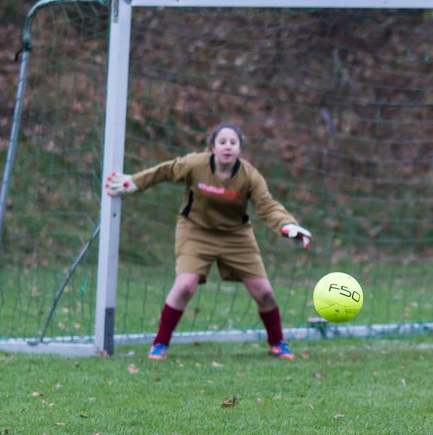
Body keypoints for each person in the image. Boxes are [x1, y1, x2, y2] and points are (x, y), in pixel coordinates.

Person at [104, 123, 313, 360]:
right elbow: (166, 170)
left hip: (236, 235)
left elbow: (268, 207)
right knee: (185, 286)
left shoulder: (250, 176)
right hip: (195, 231)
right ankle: (160, 344)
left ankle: (278, 344)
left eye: (233, 143)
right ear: (212, 146)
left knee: (264, 292)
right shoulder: (195, 164)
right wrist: (134, 182)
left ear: (239, 149)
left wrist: (289, 226)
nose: (227, 147)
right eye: (222, 142)